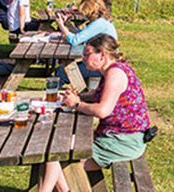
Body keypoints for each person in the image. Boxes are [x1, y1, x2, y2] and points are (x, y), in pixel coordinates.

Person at [40, 35, 150, 192]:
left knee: (54, 153)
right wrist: (74, 98)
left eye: (87, 54)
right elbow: (95, 95)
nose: (83, 58)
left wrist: (77, 104)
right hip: (119, 135)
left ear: (102, 55)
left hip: (122, 141)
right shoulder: (112, 70)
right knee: (54, 149)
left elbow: (102, 111)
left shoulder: (115, 74)